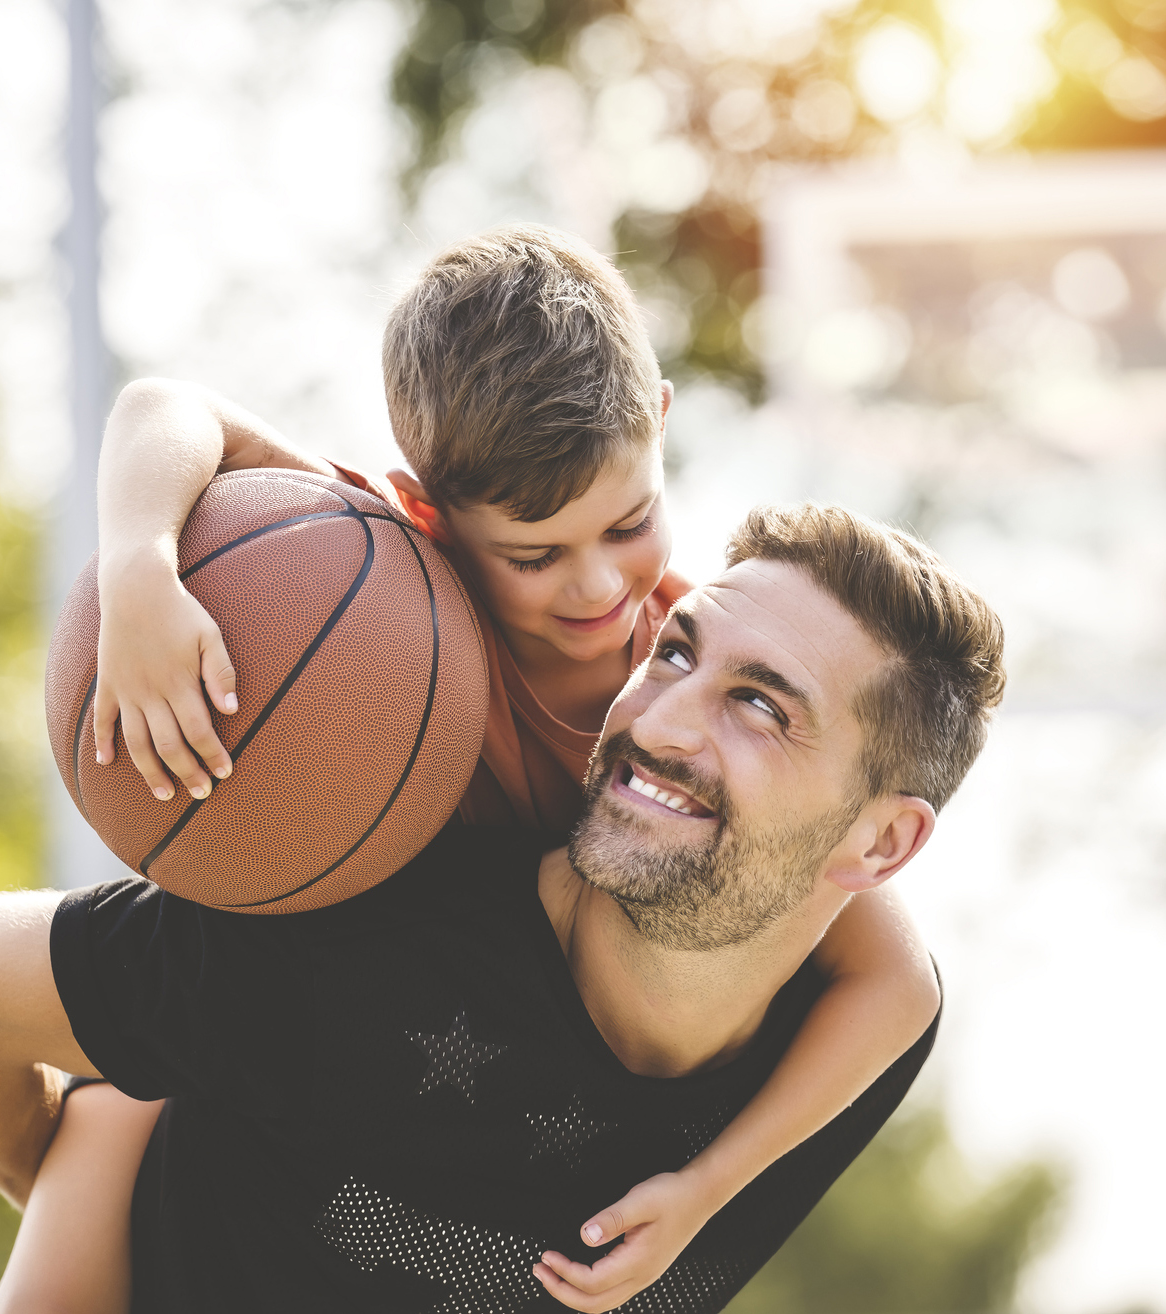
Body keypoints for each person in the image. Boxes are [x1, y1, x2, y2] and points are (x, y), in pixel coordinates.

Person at [47, 226, 938, 1307]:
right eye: (534, 555)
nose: (598, 584)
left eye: (630, 521)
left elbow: (898, 984)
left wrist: (709, 1185)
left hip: (459, 1091)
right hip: (279, 1021)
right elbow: (164, 411)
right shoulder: (376, 602)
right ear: (430, 511)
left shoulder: (688, 695)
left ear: (656, 422)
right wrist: (142, 567)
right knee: (122, 1100)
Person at [0, 503, 1003, 1313]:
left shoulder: (848, 1046)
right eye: (676, 652)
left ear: (883, 842)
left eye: (761, 706)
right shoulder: (340, 951)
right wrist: (58, 1165)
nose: (658, 722)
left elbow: (899, 978)